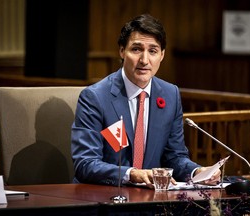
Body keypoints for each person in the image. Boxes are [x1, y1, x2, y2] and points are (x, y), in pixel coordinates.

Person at [71, 14, 221, 188]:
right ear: (121, 51)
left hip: (150, 198)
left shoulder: (170, 94)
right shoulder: (95, 97)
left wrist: (197, 171)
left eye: (153, 51)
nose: (144, 60)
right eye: (136, 49)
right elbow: (85, 163)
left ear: (162, 55)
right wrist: (132, 174)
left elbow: (174, 157)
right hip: (103, 195)